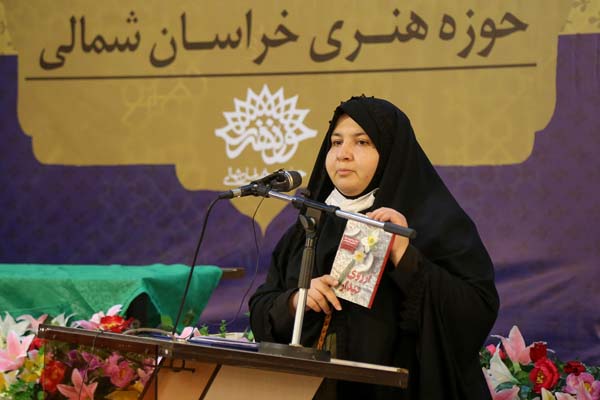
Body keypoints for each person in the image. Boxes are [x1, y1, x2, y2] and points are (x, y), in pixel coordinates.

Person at [249, 95, 499, 399]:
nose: (343, 154)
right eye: (336, 142)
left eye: (362, 142)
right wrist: (295, 301)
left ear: (392, 152)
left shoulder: (435, 222)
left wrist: (405, 257)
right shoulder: (311, 225)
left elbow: (475, 312)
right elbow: (262, 306)